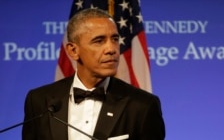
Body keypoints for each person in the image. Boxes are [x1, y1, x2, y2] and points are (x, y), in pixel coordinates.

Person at [22, 8, 165, 140]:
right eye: (99, 41)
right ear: (73, 51)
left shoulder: (143, 105)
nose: (111, 49)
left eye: (115, 39)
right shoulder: (39, 100)